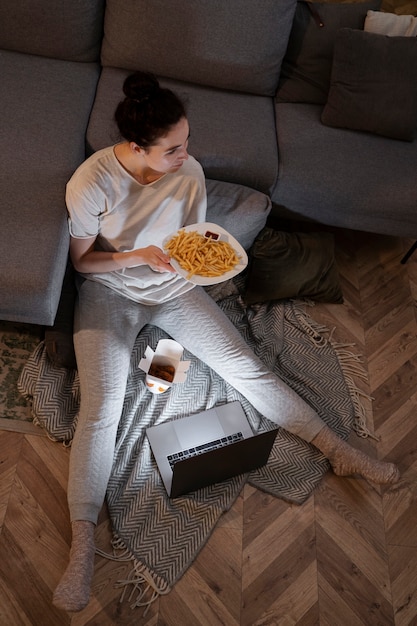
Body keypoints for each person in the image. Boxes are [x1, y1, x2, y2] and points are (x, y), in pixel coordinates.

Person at [52, 71, 400, 613]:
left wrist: (189, 273)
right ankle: (81, 545)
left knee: (249, 367)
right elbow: (83, 261)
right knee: (102, 407)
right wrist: (135, 258)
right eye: (173, 149)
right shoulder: (90, 183)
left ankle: (339, 451)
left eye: (186, 144)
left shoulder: (187, 172)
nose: (186, 156)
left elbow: (190, 244)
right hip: (110, 291)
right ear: (138, 147)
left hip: (175, 288)